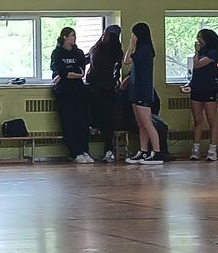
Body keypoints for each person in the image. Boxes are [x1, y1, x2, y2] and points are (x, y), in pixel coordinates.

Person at [121, 23, 164, 165]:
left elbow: (126, 60)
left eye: (134, 34)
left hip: (142, 91)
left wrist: (131, 45)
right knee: (141, 125)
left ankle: (157, 152)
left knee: (148, 123)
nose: (132, 37)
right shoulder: (140, 50)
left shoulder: (145, 49)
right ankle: (143, 151)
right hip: (135, 90)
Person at [49, 27, 93, 163]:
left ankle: (84, 150)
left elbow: (81, 72)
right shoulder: (57, 53)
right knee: (68, 123)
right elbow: (61, 72)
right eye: (72, 36)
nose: (74, 38)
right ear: (65, 37)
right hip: (64, 92)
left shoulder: (78, 53)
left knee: (82, 122)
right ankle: (74, 152)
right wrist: (68, 74)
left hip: (78, 91)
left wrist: (70, 74)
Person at [85, 25, 124, 163]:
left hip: (104, 91)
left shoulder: (106, 51)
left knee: (106, 121)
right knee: (103, 121)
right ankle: (106, 150)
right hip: (100, 90)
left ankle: (107, 150)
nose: (104, 37)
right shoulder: (101, 50)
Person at [185, 27, 218, 161]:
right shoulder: (201, 52)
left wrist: (196, 52)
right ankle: (195, 149)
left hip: (209, 89)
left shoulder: (213, 52)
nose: (198, 40)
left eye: (200, 37)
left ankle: (212, 150)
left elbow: (197, 65)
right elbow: (193, 70)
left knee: (212, 120)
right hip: (197, 88)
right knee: (197, 121)